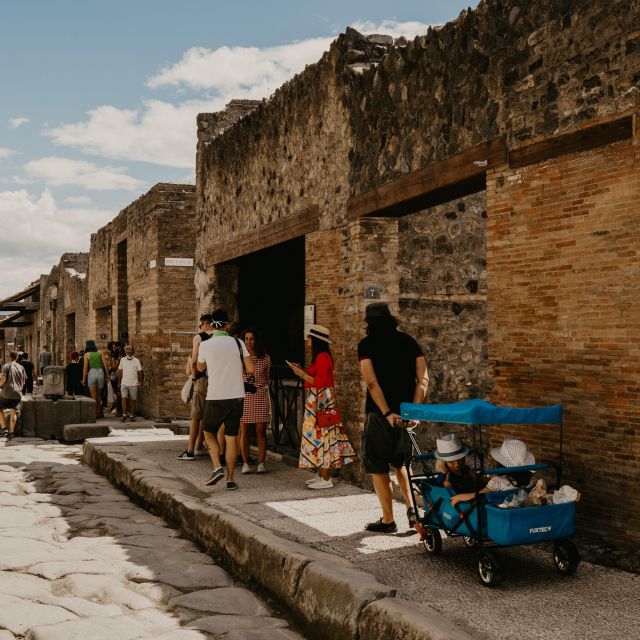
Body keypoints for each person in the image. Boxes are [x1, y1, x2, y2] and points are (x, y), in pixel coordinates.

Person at [358, 302, 429, 533]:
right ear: (391, 319)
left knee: (379, 467)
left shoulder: (366, 344)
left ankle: (388, 520)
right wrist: (415, 411)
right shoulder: (409, 342)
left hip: (380, 415)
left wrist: (387, 412)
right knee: (402, 465)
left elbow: (371, 382)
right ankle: (412, 513)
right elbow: (423, 380)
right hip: (407, 413)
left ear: (369, 322)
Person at [289, 324, 357, 489]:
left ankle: (326, 479)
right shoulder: (320, 357)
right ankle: (321, 475)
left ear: (316, 339)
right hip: (319, 401)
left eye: (309, 337)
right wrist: (302, 371)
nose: (307, 341)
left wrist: (301, 374)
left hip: (321, 402)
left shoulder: (322, 357)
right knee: (319, 438)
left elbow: (318, 383)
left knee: (323, 437)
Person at [196, 308, 254, 491]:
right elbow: (250, 369)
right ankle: (230, 479)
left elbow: (200, 367)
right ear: (227, 325)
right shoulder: (238, 343)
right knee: (231, 437)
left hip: (216, 396)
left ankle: (216, 467)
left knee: (208, 432)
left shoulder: (206, 344)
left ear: (212, 325)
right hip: (237, 397)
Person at [450, 438, 535, 506]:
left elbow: (478, 495)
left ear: (501, 463)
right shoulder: (530, 481)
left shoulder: (497, 481)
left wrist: (459, 497)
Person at [177, 314, 213, 461]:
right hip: (216, 380)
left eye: (201, 325)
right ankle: (200, 446)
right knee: (208, 415)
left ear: (206, 324)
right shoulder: (223, 338)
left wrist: (193, 376)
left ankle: (191, 450)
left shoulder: (199, 338)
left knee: (196, 415)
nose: (201, 327)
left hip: (201, 379)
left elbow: (194, 359)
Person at [239, 327, 271, 474]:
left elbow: (266, 378)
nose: (248, 342)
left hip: (259, 394)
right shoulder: (239, 358)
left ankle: (261, 462)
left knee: (260, 431)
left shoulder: (265, 358)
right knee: (244, 431)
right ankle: (245, 463)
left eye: (251, 338)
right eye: (246, 339)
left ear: (256, 340)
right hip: (244, 395)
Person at [0, 352, 26, 439]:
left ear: (9, 357)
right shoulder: (21, 367)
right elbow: (24, 381)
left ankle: (4, 429)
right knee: (13, 411)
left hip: (7, 392)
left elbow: (3, 380)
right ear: (17, 357)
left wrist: (0, 385)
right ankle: (11, 432)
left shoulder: (6, 366)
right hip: (17, 393)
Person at [82, 340, 109, 418]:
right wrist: (107, 376)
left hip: (92, 374)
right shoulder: (100, 352)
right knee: (99, 395)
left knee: (93, 396)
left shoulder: (87, 355)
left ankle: (94, 414)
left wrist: (83, 379)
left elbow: (85, 368)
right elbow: (105, 365)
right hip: (101, 373)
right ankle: (99, 413)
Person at [118, 344, 144, 422]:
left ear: (133, 351)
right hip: (124, 382)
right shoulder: (122, 360)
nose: (129, 351)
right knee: (124, 398)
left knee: (133, 400)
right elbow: (120, 371)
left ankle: (132, 415)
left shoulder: (137, 360)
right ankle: (124, 414)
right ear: (125, 351)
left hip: (134, 383)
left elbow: (140, 372)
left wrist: (141, 382)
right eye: (127, 349)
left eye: (130, 349)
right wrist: (119, 382)